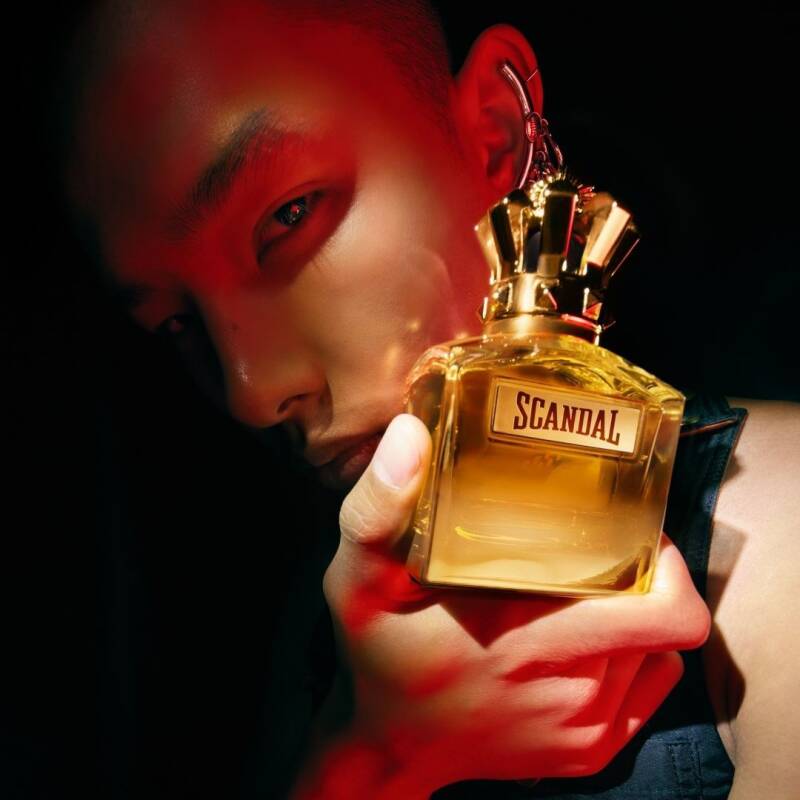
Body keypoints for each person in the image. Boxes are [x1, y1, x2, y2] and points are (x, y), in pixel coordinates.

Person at [55, 1, 799, 797]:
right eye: (175, 322)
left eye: (288, 216)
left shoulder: (778, 536)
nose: (251, 390)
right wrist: (363, 761)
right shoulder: (311, 626)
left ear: (495, 132)